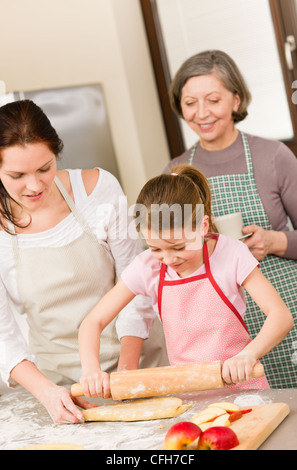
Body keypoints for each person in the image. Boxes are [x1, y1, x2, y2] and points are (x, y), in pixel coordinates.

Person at [0, 99, 168, 423]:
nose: (34, 186)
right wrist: (49, 393)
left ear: (57, 154)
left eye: (44, 168)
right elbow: (3, 336)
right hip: (60, 389)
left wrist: (126, 375)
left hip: (136, 368)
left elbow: (137, 286)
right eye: (17, 175)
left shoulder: (98, 190)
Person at [78, 164, 294, 398]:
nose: (168, 258)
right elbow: (92, 322)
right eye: (155, 248)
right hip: (190, 396)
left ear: (202, 226)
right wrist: (91, 370)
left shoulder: (231, 253)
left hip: (244, 390)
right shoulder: (147, 266)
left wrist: (247, 355)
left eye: (179, 247)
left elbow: (280, 316)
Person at [164, 50, 297, 388]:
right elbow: (166, 254)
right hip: (222, 327)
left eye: (213, 100)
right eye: (190, 102)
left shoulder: (273, 157)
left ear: (236, 100)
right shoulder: (176, 172)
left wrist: (274, 241)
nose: (202, 113)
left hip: (286, 312)